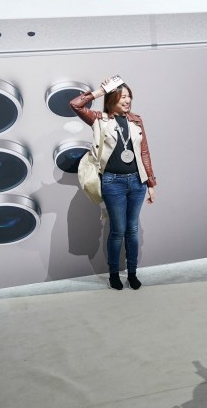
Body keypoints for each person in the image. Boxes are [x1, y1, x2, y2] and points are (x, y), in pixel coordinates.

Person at [70, 78, 156, 290]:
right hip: (112, 182)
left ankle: (133, 273)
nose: (128, 101)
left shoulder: (136, 120)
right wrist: (100, 91)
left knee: (132, 230)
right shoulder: (99, 119)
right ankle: (114, 275)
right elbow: (75, 104)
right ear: (112, 99)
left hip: (137, 182)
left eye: (129, 97)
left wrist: (151, 183)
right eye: (123, 97)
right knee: (118, 230)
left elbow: (144, 151)